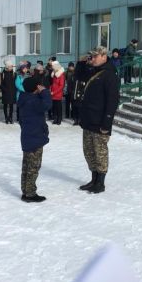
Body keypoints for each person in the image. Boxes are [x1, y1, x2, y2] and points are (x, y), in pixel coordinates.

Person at [75, 46, 120, 194]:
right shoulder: (94, 71)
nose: (92, 59)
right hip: (89, 120)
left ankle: (100, 183)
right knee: (89, 151)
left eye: (95, 56)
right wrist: (82, 62)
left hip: (100, 121)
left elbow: (112, 101)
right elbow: (79, 76)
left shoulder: (110, 74)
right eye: (91, 56)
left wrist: (107, 122)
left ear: (104, 56)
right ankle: (93, 180)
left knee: (100, 152)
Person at [17, 76, 52, 203]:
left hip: (27, 136)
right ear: (36, 87)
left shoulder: (25, 98)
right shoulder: (33, 101)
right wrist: (45, 91)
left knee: (26, 166)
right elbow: (47, 104)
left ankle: (25, 191)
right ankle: (30, 193)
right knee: (33, 167)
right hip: (35, 137)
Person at [50, 60, 65, 125]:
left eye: (53, 66)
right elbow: (53, 84)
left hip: (57, 94)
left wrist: (54, 92)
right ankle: (55, 118)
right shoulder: (54, 74)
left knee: (58, 107)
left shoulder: (61, 75)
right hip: (53, 93)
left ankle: (59, 119)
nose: (52, 68)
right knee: (54, 107)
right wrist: (51, 89)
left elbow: (61, 86)